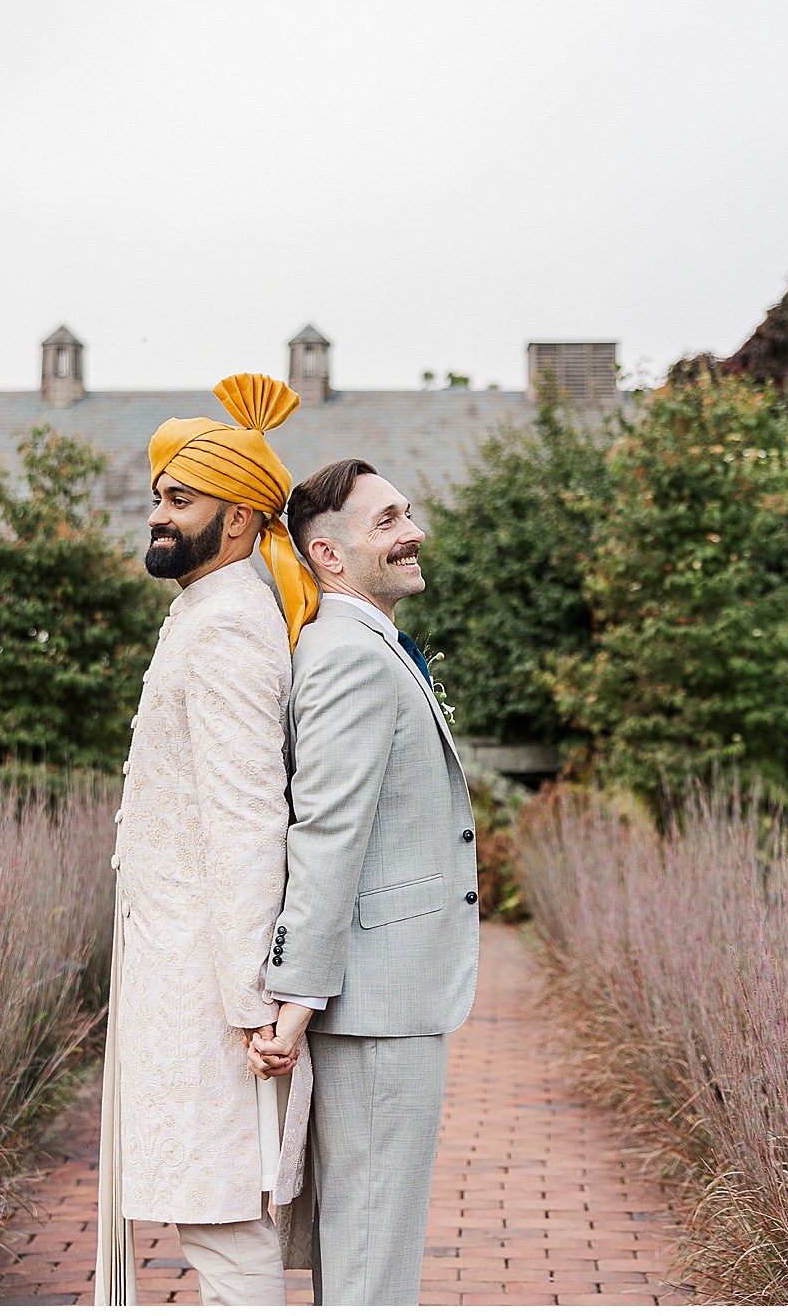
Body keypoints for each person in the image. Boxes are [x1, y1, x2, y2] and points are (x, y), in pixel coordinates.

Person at [95, 373, 323, 1307]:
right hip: (180, 965)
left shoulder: (229, 624)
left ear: (237, 518)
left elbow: (248, 820)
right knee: (208, 1208)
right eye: (158, 495)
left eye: (178, 499)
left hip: (208, 982)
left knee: (224, 1214)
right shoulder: (204, 609)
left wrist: (251, 1002)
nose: (157, 513)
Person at [248, 457, 481, 1306]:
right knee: (373, 1256)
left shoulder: (367, 643)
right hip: (374, 1001)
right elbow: (326, 835)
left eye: (406, 512)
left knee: (365, 1241)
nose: (412, 530)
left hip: (385, 996)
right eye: (386, 520)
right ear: (329, 555)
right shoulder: (349, 655)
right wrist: (297, 997)